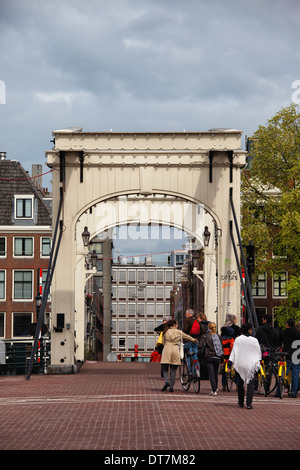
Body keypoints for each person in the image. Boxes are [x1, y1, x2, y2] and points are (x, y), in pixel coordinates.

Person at [228, 322, 261, 409]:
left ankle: (240, 401)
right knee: (250, 384)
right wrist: (258, 365)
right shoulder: (254, 340)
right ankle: (249, 403)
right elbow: (258, 354)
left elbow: (234, 352)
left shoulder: (238, 339)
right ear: (250, 330)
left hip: (240, 363)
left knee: (240, 383)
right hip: (251, 364)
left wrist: (229, 364)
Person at [160, 319, 197, 392]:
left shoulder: (165, 331)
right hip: (175, 349)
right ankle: (171, 386)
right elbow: (188, 337)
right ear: (174, 325)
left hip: (167, 348)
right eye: (176, 324)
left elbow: (163, 342)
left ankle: (166, 381)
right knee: (173, 370)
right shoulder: (179, 332)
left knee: (164, 367)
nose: (177, 325)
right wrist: (195, 340)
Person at [275, 318, 300, 398]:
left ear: (287, 324)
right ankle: (294, 393)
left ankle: (279, 392)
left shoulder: (283, 332)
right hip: (297, 355)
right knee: (295, 374)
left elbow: (279, 343)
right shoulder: (298, 333)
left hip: (287, 355)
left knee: (283, 372)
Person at [198, 322, 224, 396]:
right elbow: (221, 348)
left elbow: (200, 346)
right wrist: (222, 359)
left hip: (208, 357)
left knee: (211, 374)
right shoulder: (218, 336)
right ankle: (216, 387)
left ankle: (214, 390)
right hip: (217, 357)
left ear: (208, 328)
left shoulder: (205, 336)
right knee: (215, 373)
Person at [220, 314, 240, 391]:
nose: (236, 321)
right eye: (235, 319)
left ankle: (224, 385)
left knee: (224, 367)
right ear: (232, 320)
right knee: (236, 368)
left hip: (225, 351)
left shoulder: (223, 328)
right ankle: (238, 385)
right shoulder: (236, 328)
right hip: (233, 350)